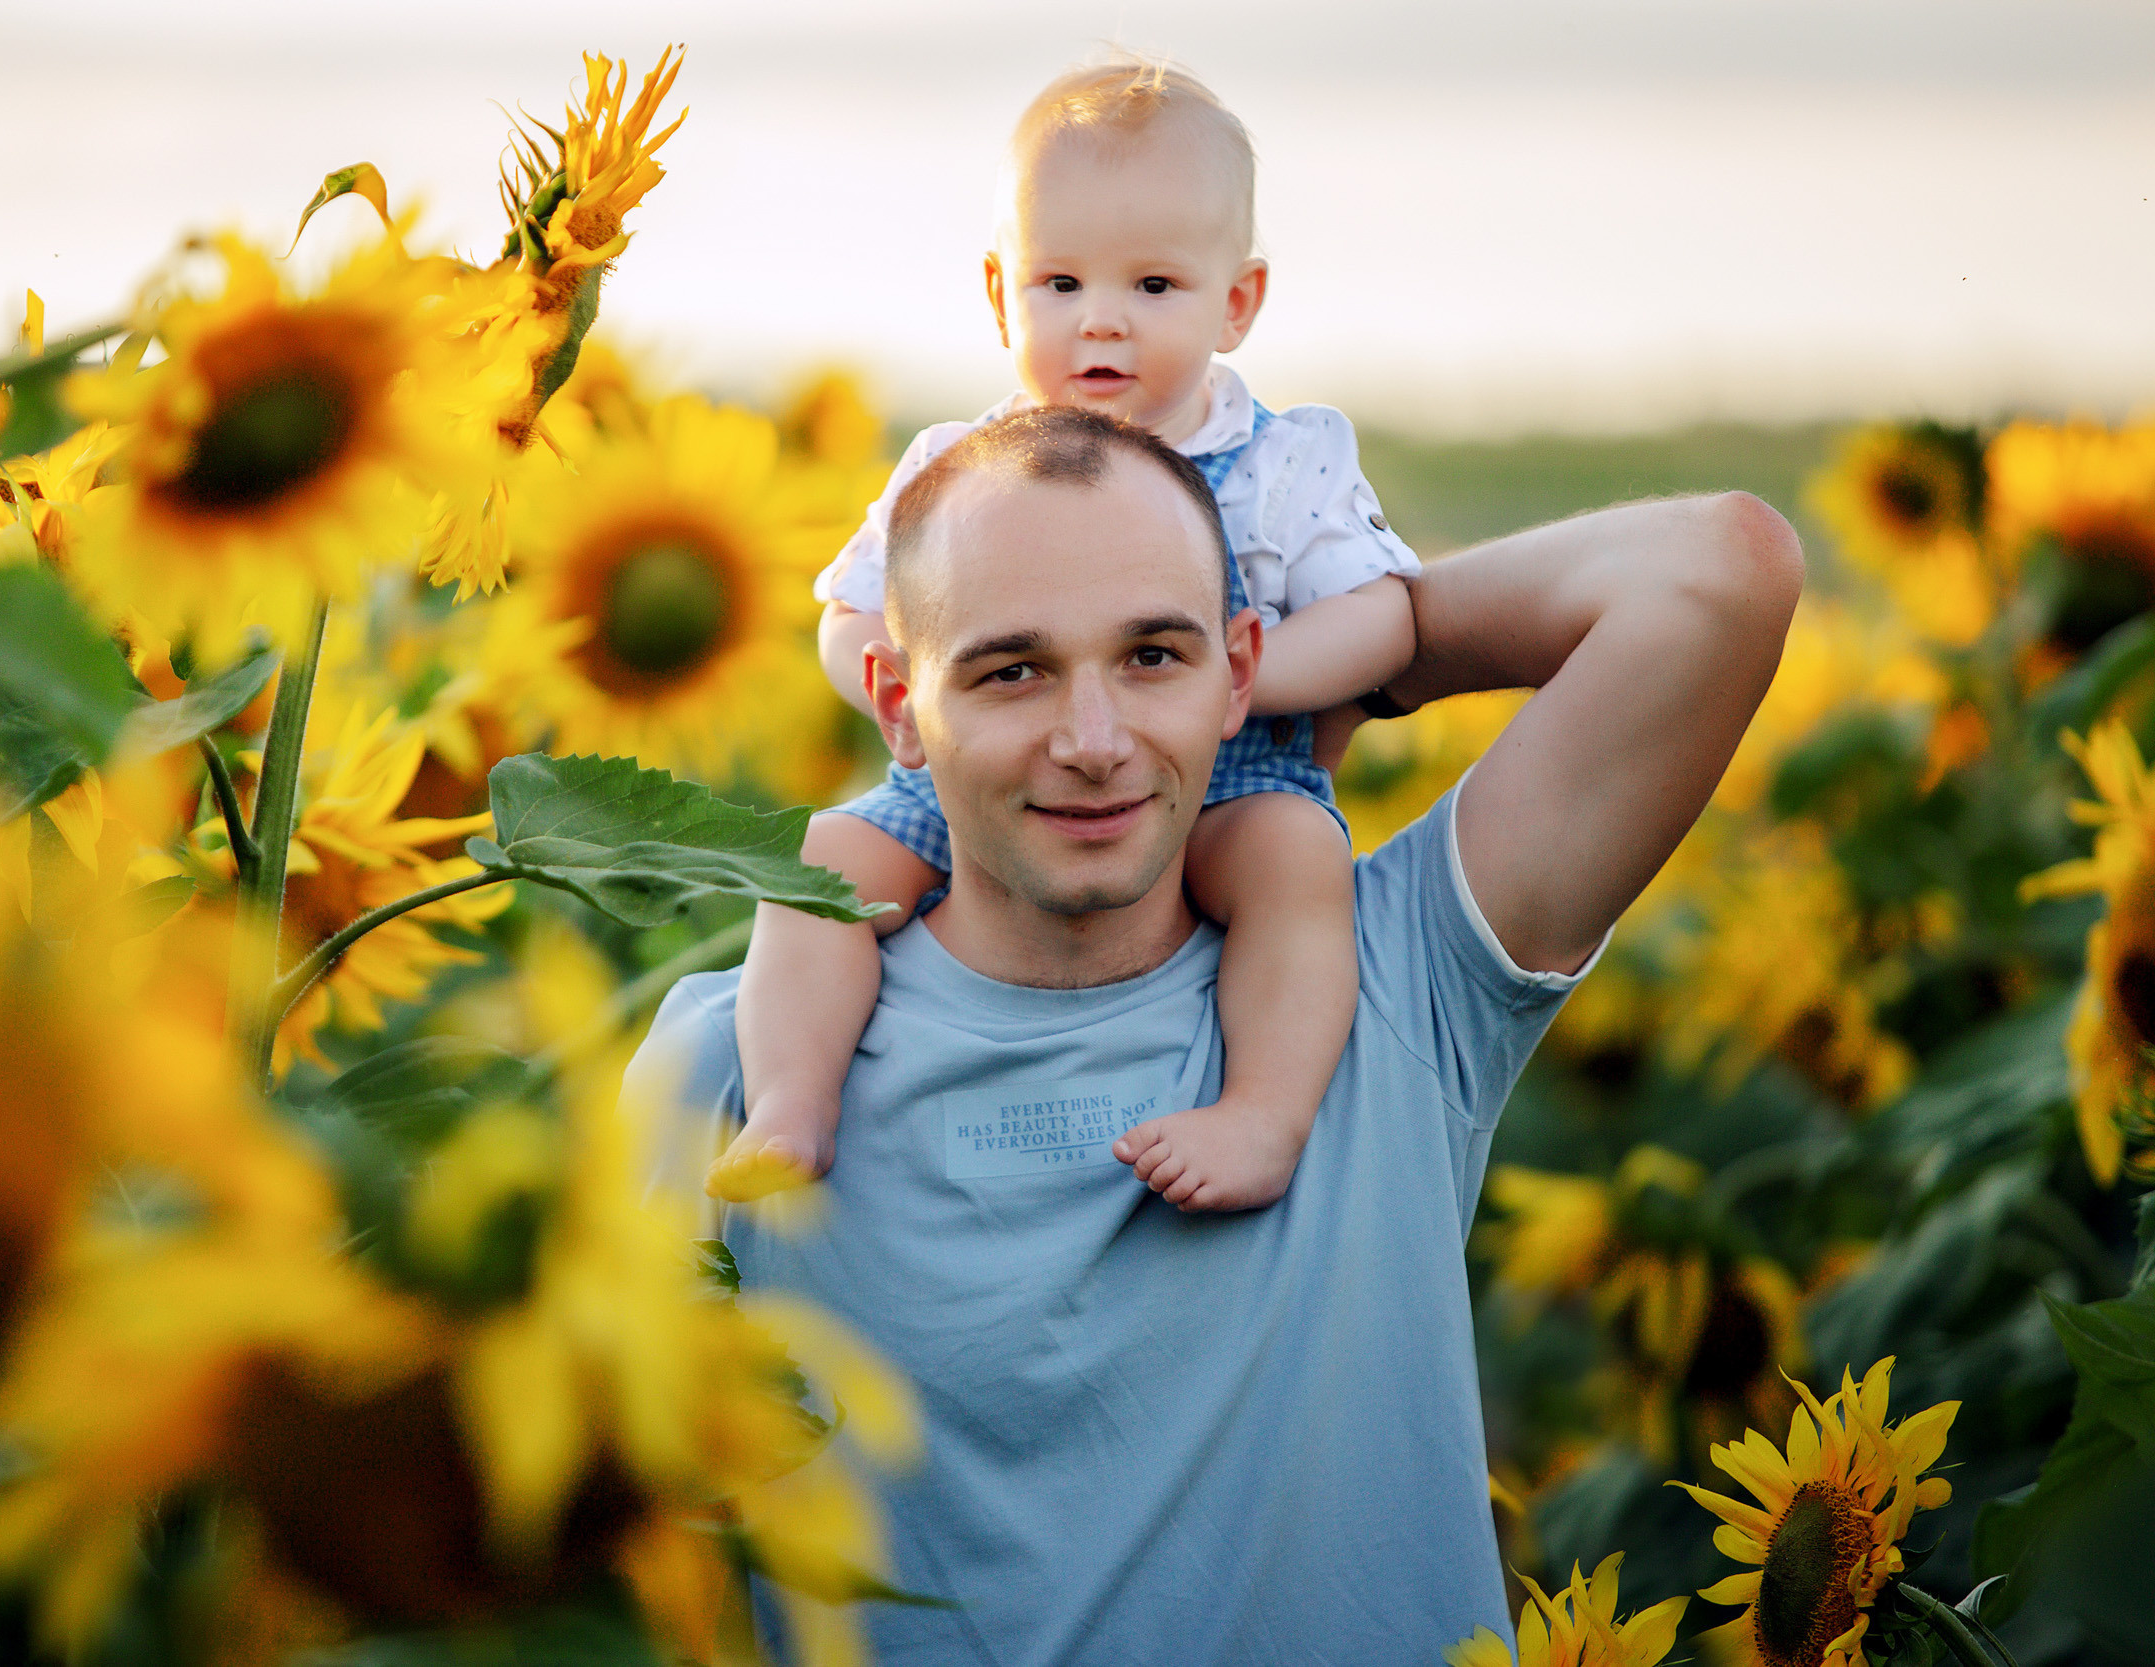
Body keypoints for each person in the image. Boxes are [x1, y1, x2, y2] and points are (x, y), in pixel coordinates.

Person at [630, 405, 1802, 1663]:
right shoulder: (734, 1073)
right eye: (1009, 668)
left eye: (1153, 655)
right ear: (897, 704)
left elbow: (1720, 570)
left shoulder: (1383, 985)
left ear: (1240, 669)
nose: (1093, 742)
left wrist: (1374, 645)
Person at [709, 57, 1418, 1213]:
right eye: (1059, 281)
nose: (1100, 320)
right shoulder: (958, 470)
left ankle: (1262, 1114)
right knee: (825, 867)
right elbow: (850, 616)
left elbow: (1384, 614)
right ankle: (792, 1098)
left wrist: (1237, 687)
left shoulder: (1289, 461)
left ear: (1235, 302)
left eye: (1151, 285)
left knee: (1300, 870)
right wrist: (908, 707)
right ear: (998, 294)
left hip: (1230, 780)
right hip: (976, 783)